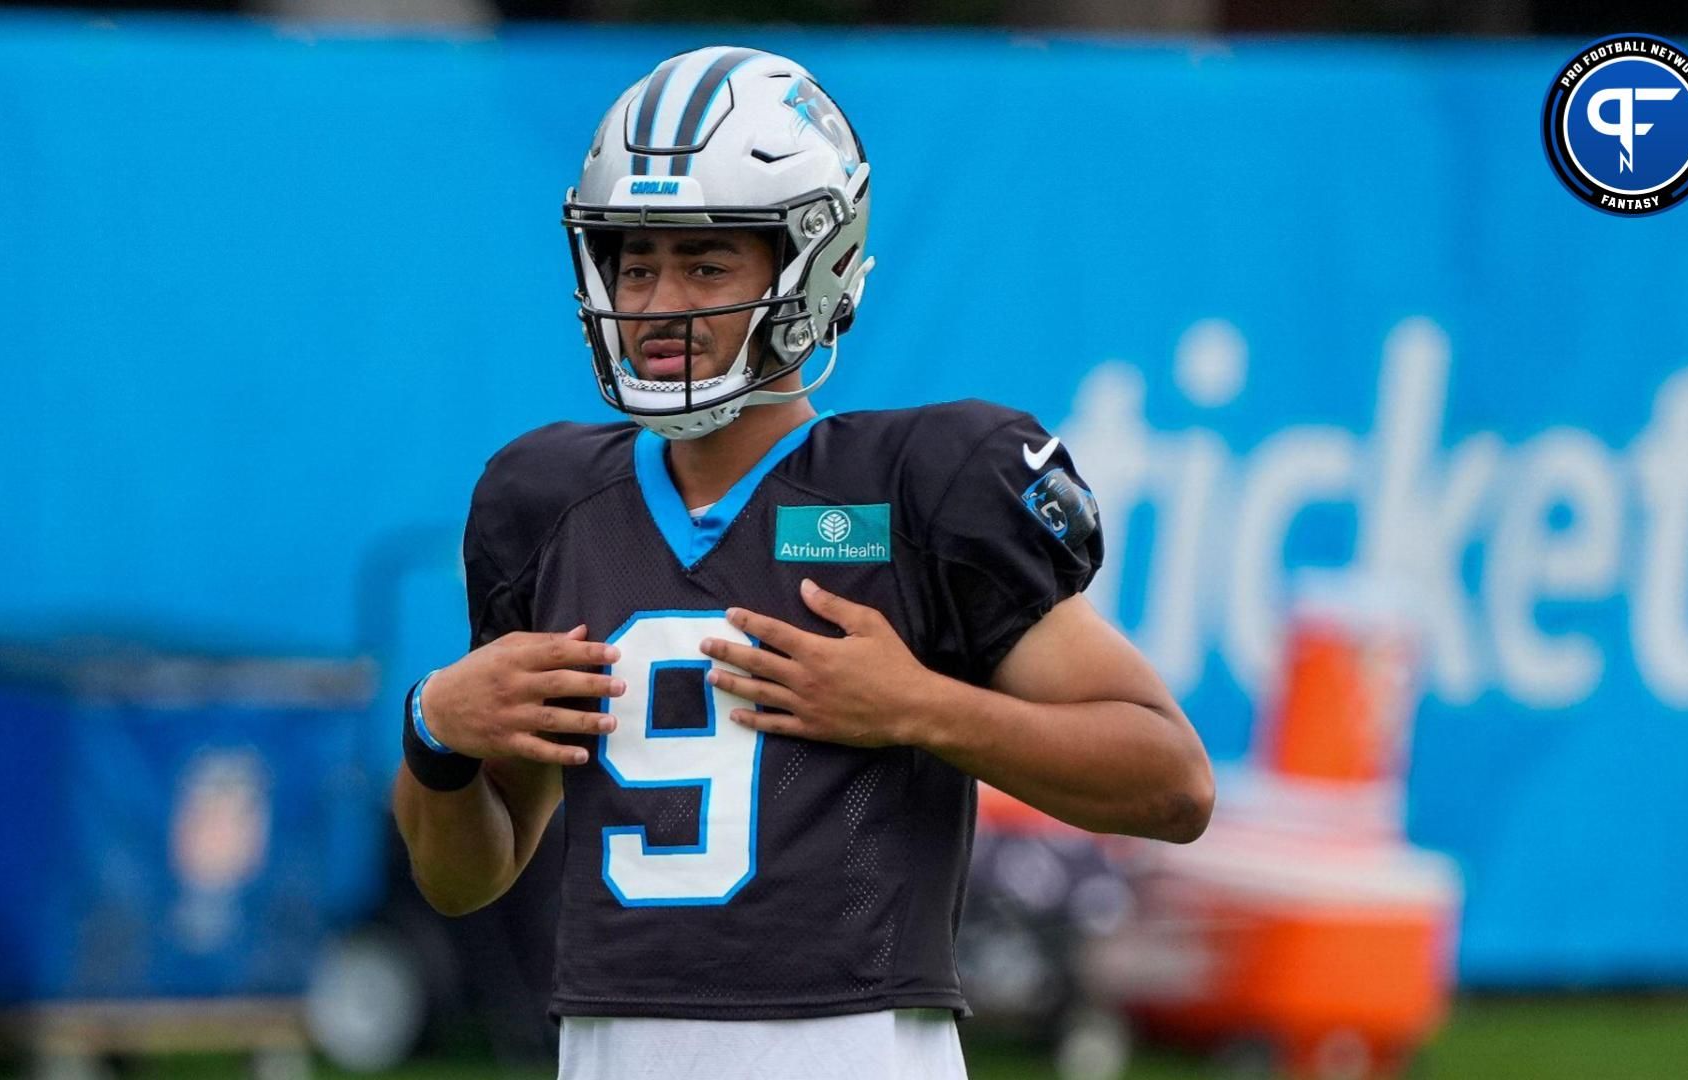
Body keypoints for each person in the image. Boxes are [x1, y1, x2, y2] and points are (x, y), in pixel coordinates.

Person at [392, 45, 1214, 1080]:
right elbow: (465, 878)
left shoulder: (919, 488)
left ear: (809, 264)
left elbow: (1173, 782)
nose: (655, 304)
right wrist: (434, 734)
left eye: (704, 263)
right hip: (608, 1051)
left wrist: (918, 708)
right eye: (634, 263)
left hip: (855, 1048)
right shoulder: (552, 505)